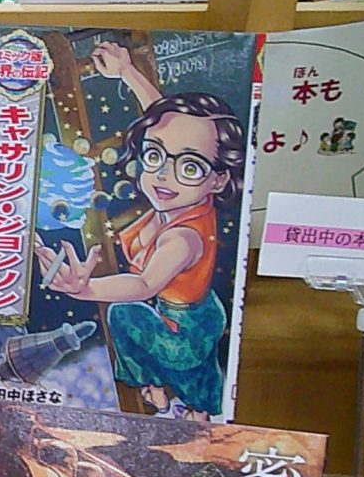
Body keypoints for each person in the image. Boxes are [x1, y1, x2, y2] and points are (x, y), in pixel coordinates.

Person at [35, 39, 244, 416]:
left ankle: (162, 390)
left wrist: (86, 289)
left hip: (186, 331)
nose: (163, 174)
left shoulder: (182, 238)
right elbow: (166, 122)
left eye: (190, 167)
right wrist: (127, 72)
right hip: (200, 312)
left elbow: (144, 285)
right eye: (154, 155)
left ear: (219, 179)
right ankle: (192, 403)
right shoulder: (193, 195)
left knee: (122, 314)